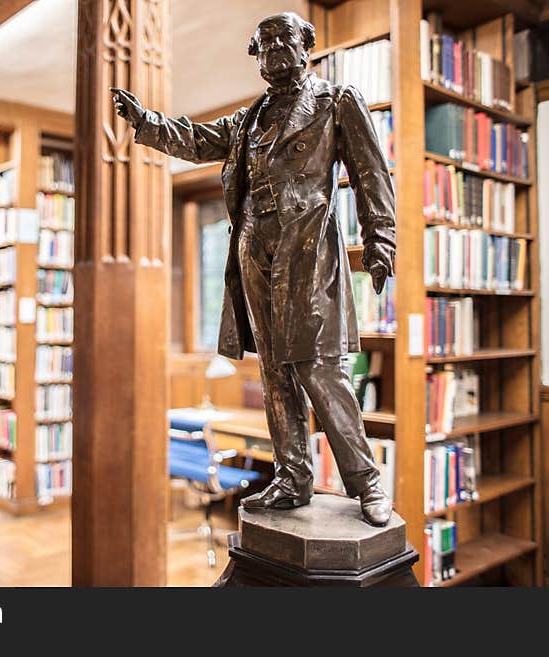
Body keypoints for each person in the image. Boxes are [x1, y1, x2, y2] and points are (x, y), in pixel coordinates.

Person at [111, 12, 396, 526]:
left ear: (306, 44)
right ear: (256, 56)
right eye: (264, 44)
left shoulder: (336, 102)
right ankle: (292, 477)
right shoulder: (247, 120)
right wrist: (146, 122)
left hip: (308, 247)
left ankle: (367, 481)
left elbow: (371, 173)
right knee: (273, 369)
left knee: (318, 366)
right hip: (253, 249)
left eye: (285, 39)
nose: (275, 50)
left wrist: (382, 240)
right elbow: (196, 140)